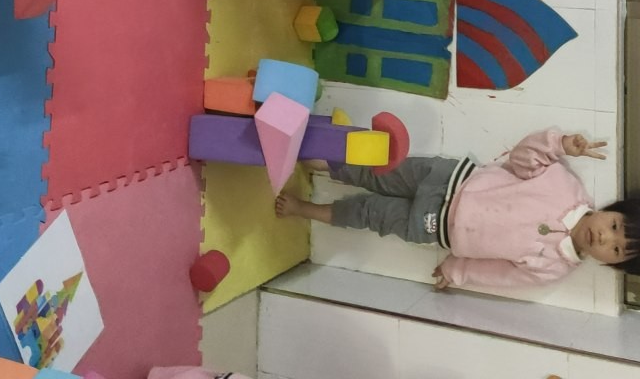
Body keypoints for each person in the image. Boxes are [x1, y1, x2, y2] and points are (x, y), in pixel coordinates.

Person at [274, 129, 640, 290]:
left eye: (616, 249)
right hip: (447, 178)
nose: (604, 238)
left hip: (434, 227)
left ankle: (305, 209)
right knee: (379, 171)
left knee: (369, 214)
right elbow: (523, 157)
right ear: (612, 210)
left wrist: (457, 271)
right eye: (615, 226)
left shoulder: (554, 268)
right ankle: (322, 162)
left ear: (610, 263)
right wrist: (559, 144)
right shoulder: (565, 185)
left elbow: (502, 275)